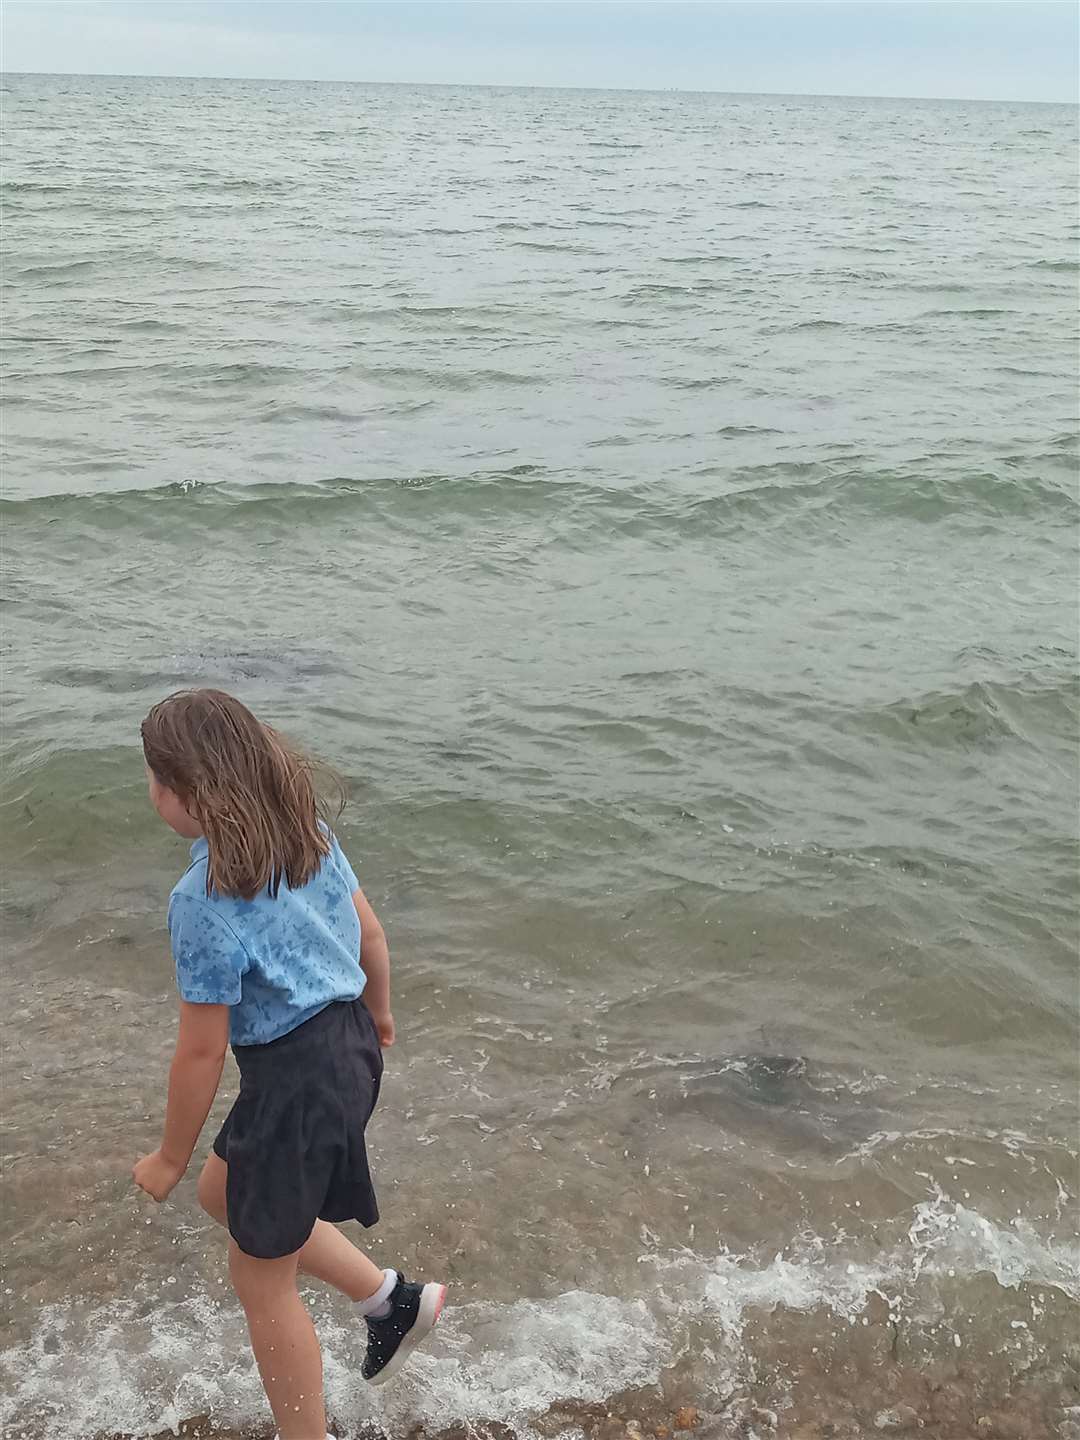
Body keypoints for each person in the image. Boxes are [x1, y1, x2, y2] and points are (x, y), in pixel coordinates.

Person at [132, 688, 445, 1440]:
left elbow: (203, 1050)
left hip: (295, 1079)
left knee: (258, 1278)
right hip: (349, 1047)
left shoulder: (199, 901)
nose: (152, 794)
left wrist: (170, 1154)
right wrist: (381, 1013)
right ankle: (389, 1302)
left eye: (156, 780)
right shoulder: (309, 835)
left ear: (189, 796)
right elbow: (370, 936)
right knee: (227, 1192)